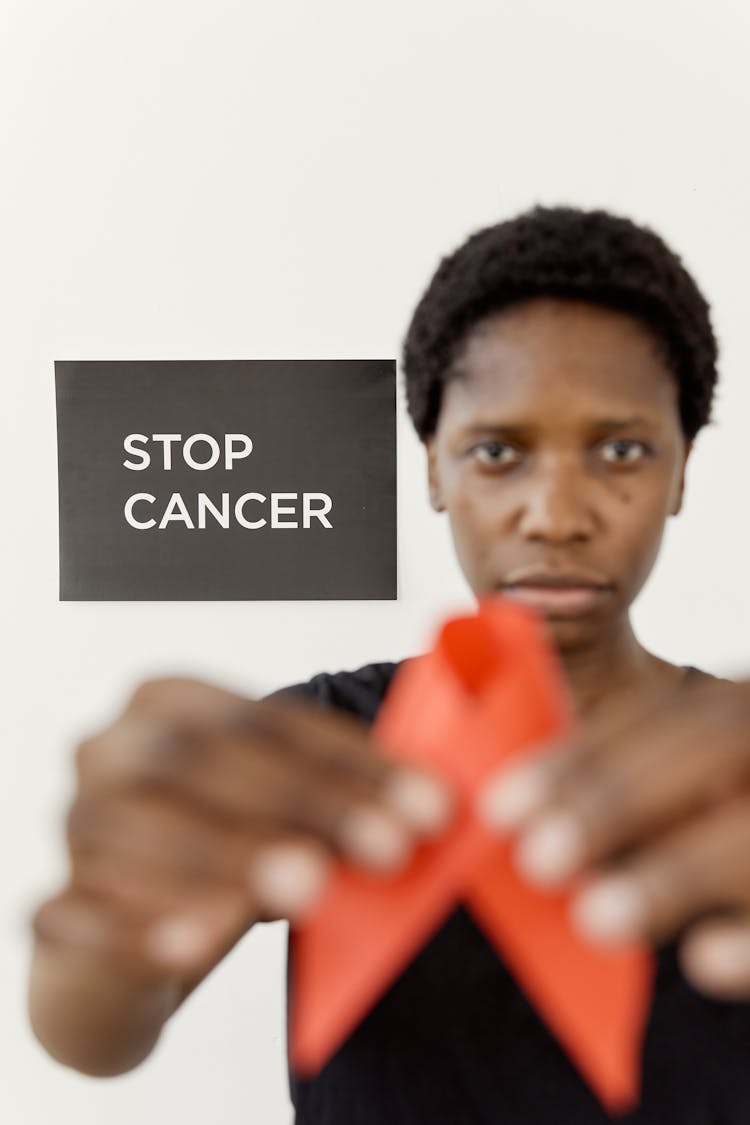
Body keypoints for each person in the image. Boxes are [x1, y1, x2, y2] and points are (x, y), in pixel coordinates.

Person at [28, 206, 750, 1123]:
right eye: (498, 451)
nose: (557, 515)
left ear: (682, 469)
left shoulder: (737, 767)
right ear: (434, 471)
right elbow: (90, 1037)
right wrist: (108, 933)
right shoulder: (314, 743)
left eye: (621, 450)